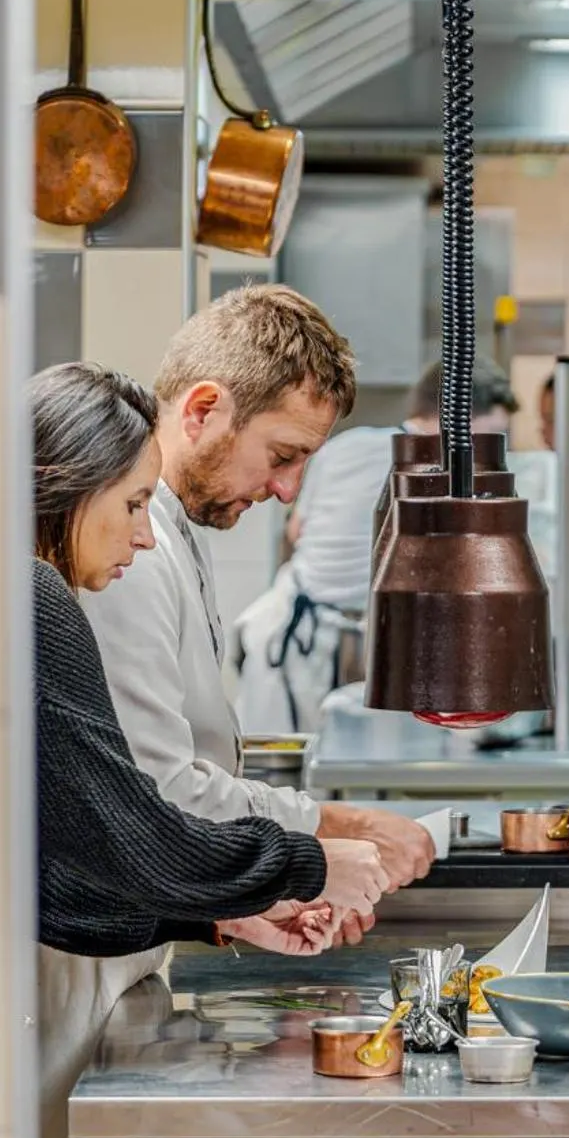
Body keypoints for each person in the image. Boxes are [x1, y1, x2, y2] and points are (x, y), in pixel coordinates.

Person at [28, 361, 399, 1138]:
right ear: (64, 489)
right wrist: (310, 859)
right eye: (130, 504)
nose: (143, 535)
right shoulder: (36, 604)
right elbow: (136, 835)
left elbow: (65, 875)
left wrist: (227, 914)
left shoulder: (17, 595)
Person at [80, 284, 437, 875]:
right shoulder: (130, 552)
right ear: (201, 411)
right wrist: (336, 825)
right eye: (281, 456)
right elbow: (159, 790)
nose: (288, 490)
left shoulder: (178, 531)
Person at [235, 358, 519, 733]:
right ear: (456, 418)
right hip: (331, 643)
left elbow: (297, 532)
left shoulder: (346, 445)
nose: (489, 454)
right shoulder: (438, 472)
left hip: (303, 625)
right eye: (491, 435)